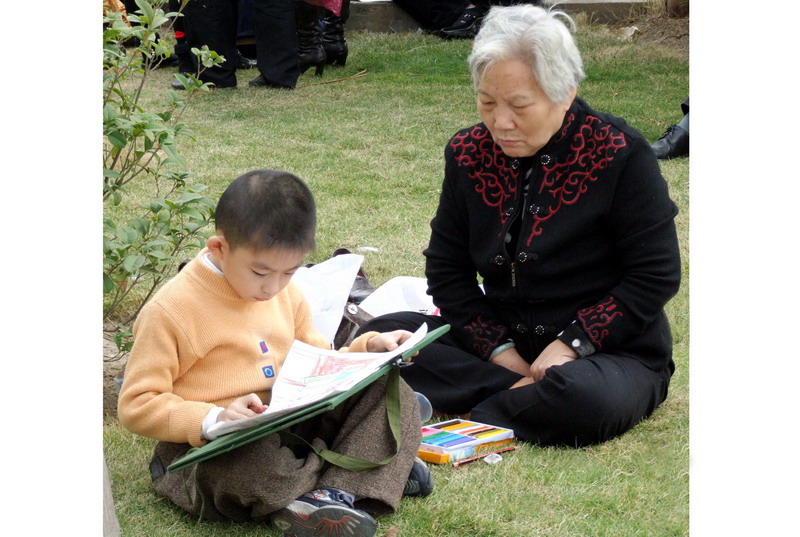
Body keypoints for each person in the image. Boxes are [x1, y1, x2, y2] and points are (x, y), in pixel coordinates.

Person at [356, 5, 682, 447]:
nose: (500, 122)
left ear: (564, 93)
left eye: (519, 106)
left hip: (604, 355)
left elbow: (654, 274)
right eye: (487, 103)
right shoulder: (468, 153)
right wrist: (500, 352)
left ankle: (478, 402)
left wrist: (573, 344)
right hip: (500, 345)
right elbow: (447, 271)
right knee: (381, 334)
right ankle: (519, 396)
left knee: (583, 398)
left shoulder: (621, 153)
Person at [118, 170, 432, 537]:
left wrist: (370, 348)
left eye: (289, 272)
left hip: (289, 422)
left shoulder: (286, 292)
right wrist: (214, 418)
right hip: (216, 447)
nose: (273, 287)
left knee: (391, 392)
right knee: (247, 469)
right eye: (260, 271)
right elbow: (137, 404)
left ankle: (334, 492)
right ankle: (370, 469)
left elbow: (320, 363)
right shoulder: (171, 310)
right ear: (219, 247)